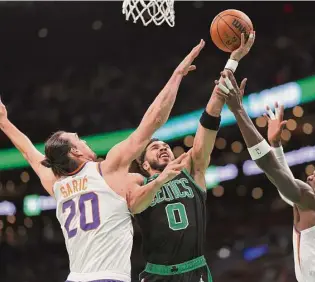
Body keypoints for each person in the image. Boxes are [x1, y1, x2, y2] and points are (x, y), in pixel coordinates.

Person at [0, 40, 204, 282]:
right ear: (75, 152)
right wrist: (177, 75)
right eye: (79, 140)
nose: (85, 141)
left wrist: (4, 122)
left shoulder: (54, 183)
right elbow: (154, 120)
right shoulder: (108, 169)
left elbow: (27, 151)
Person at [131, 32, 255, 282]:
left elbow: (208, 124)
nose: (164, 148)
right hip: (158, 274)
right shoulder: (136, 182)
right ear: (144, 164)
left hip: (194, 270)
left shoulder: (192, 170)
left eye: (166, 145)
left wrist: (233, 61)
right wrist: (160, 180)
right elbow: (134, 205)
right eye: (156, 148)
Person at [215, 71, 315, 282]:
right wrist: (276, 146)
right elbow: (287, 188)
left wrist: (238, 110)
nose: (309, 178)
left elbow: (270, 168)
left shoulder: (311, 202)